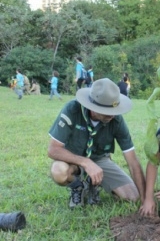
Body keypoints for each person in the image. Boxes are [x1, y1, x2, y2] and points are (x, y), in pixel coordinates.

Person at [47, 78, 146, 208]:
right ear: (93, 106)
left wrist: (145, 199)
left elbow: (132, 161)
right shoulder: (72, 110)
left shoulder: (116, 120)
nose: (112, 116)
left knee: (133, 196)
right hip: (73, 160)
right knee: (58, 171)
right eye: (107, 112)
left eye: (114, 111)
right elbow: (53, 149)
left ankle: (93, 183)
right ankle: (78, 187)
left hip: (100, 160)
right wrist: (85, 162)